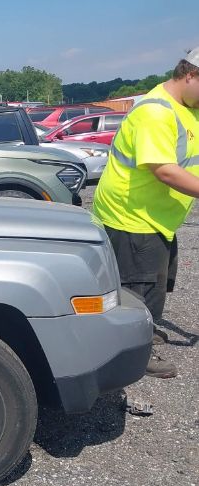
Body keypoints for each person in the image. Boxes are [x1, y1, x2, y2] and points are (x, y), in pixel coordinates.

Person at [93, 47, 199, 378]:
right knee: (138, 290)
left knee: (156, 282)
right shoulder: (156, 112)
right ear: (191, 75)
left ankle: (146, 333)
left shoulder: (187, 108)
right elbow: (165, 170)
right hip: (131, 217)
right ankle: (135, 353)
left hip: (157, 218)